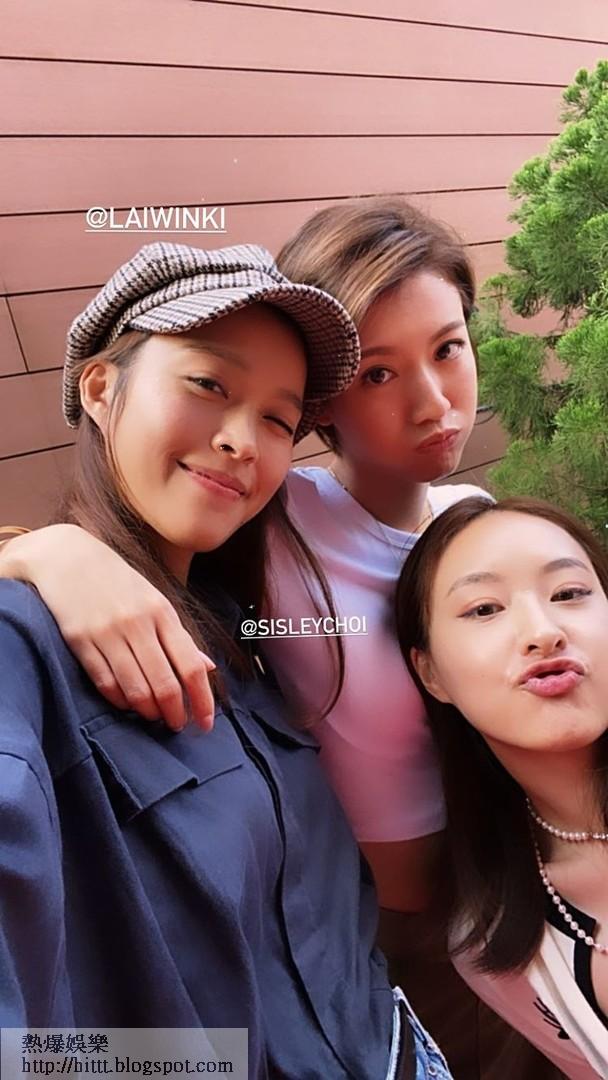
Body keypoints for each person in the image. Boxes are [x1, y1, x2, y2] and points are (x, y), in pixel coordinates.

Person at [0, 198, 554, 1075]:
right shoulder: (34, 640)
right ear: (100, 389)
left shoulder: (233, 620)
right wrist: (39, 552)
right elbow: (29, 1039)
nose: (240, 442)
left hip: (418, 994)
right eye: (209, 386)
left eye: (275, 419)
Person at [395, 494, 608, 1079]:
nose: (543, 632)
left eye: (569, 593)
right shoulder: (492, 944)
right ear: (430, 673)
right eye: (484, 608)